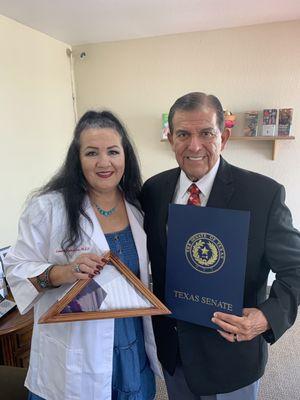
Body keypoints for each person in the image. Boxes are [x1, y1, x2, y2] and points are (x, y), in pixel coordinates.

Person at [140, 92, 300, 400]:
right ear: (171, 137)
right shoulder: (154, 190)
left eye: (206, 133)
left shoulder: (262, 195)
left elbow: (296, 269)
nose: (194, 145)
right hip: (173, 351)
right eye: (184, 134)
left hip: (231, 355)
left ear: (223, 137)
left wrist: (265, 318)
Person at [4, 110, 161, 400]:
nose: (104, 162)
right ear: (77, 159)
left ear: (125, 156)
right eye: (92, 153)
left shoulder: (138, 207)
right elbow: (14, 271)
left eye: (113, 151)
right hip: (75, 346)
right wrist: (61, 273)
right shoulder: (48, 208)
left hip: (131, 338)